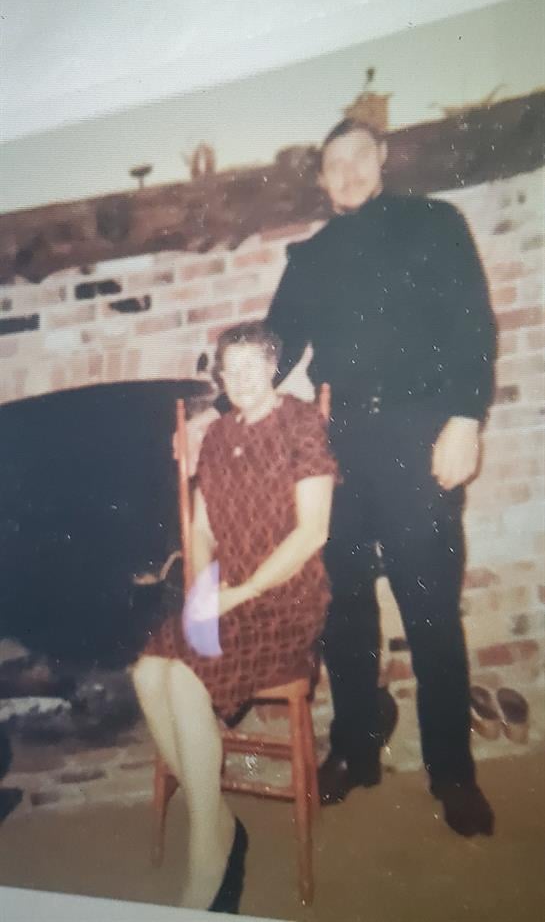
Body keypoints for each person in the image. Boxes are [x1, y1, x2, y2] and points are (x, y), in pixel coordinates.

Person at [266, 117, 498, 838]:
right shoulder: (310, 256)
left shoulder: (434, 223)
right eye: (332, 163)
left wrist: (465, 418)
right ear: (320, 178)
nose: (346, 172)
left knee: (428, 609)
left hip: (419, 431)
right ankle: (356, 748)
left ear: (383, 158)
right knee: (344, 606)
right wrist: (231, 392)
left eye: (358, 157)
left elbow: (472, 323)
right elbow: (277, 343)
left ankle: (451, 771)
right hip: (341, 441)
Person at [132, 321, 337, 913]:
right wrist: (201, 591)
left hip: (286, 600)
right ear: (219, 377)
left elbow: (313, 532)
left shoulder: (302, 424)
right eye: (230, 369)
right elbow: (198, 526)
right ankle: (216, 815)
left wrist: (233, 596)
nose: (240, 378)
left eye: (252, 366)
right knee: (148, 674)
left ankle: (208, 851)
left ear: (273, 367)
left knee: (188, 677)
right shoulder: (218, 435)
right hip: (227, 595)